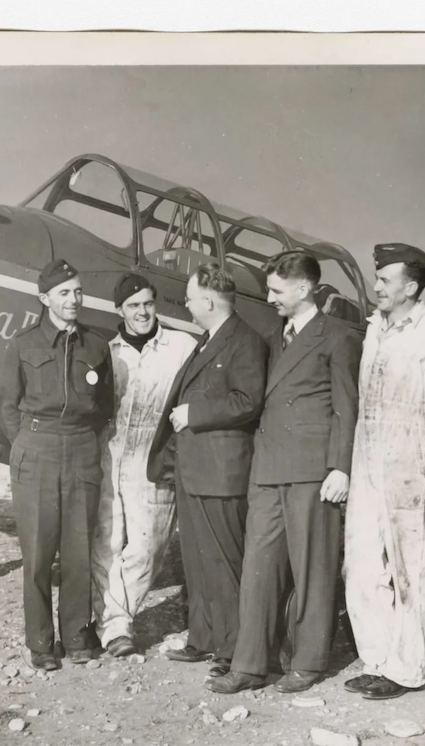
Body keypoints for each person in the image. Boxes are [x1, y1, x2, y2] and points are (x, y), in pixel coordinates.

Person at [208, 251, 361, 694]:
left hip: (312, 471)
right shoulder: (272, 338)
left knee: (313, 568)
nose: (270, 298)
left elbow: (346, 407)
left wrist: (340, 467)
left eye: (276, 290)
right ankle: (249, 664)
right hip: (269, 468)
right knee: (258, 567)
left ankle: (307, 662)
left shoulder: (338, 337)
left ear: (303, 288)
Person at [341, 243, 425, 700]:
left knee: (408, 568)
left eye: (385, 279)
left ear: (411, 287)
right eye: (376, 277)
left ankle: (407, 668)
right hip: (367, 458)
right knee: (361, 565)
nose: (376, 285)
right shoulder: (374, 329)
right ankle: (377, 659)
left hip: (409, 460)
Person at [147, 264, 268, 678]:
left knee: (224, 562)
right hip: (196, 470)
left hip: (221, 473)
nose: (186, 303)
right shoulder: (209, 340)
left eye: (190, 297)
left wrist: (194, 413)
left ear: (210, 301)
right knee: (198, 561)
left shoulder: (245, 341)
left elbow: (247, 400)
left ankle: (233, 651)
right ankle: (203, 638)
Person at [0, 258, 114, 672]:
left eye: (78, 292)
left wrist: (82, 441)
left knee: (79, 549)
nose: (73, 300)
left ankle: (78, 636)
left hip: (81, 449)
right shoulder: (23, 344)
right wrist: (27, 444)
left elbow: (105, 408)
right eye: (64, 293)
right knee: (39, 552)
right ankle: (42, 643)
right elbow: (6, 405)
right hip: (37, 450)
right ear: (45, 299)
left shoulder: (97, 347)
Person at [90, 273, 197, 657]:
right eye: (133, 306)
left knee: (148, 547)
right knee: (105, 544)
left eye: (148, 303)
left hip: (155, 458)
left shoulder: (182, 347)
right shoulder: (107, 352)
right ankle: (115, 627)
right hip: (111, 455)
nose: (142, 312)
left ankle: (112, 618)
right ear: (120, 310)